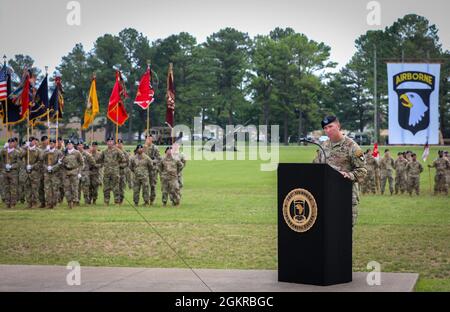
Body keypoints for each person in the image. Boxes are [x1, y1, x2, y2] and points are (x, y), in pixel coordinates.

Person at [318, 115, 367, 226]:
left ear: (338, 126)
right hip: (328, 197)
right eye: (325, 128)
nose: (328, 130)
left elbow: (363, 170)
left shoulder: (352, 146)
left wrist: (349, 175)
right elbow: (318, 168)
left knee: (344, 236)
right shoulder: (323, 146)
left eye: (330, 126)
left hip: (346, 197)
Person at [97, 137, 126, 205]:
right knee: (106, 187)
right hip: (106, 172)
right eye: (108, 141)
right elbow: (99, 159)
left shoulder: (117, 151)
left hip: (115, 172)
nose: (110, 143)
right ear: (107, 142)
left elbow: (123, 159)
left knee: (116, 187)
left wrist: (118, 166)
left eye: (111, 141)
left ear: (113, 142)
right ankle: (106, 201)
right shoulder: (104, 151)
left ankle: (117, 201)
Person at [62, 139, 84, 208]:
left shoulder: (77, 153)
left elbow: (82, 163)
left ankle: (75, 201)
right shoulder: (64, 153)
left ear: (73, 145)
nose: (69, 145)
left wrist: (79, 172)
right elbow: (62, 162)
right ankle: (69, 201)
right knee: (67, 188)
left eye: (70, 144)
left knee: (74, 188)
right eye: (68, 144)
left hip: (74, 171)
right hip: (66, 172)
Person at [22, 137, 43, 209]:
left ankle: (34, 203)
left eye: (33, 141)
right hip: (27, 172)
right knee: (27, 188)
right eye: (30, 141)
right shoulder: (26, 149)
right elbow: (20, 155)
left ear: (35, 141)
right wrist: (25, 147)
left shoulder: (38, 150)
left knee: (34, 188)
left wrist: (32, 166)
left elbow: (40, 161)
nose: (31, 142)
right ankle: (29, 202)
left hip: (35, 172)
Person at [42, 139, 64, 208]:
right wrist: (46, 167)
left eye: (52, 143)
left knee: (55, 188)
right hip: (47, 173)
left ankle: (55, 203)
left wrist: (53, 167)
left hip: (55, 173)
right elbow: (41, 159)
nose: (51, 144)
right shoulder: (46, 151)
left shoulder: (58, 152)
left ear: (55, 144)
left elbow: (60, 163)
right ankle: (48, 203)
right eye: (50, 143)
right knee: (47, 188)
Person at [1, 138, 21, 208]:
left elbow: (19, 163)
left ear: (14, 143)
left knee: (13, 188)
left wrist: (12, 166)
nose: (10, 144)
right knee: (6, 188)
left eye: (12, 143)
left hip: (13, 173)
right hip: (5, 172)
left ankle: (13, 203)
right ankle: (7, 203)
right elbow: (1, 160)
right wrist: (3, 148)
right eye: (9, 142)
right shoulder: (4, 151)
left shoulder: (17, 152)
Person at [144, 134, 161, 205]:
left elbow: (159, 158)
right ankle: (146, 200)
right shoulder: (143, 147)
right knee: (145, 185)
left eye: (150, 139)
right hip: (144, 169)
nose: (148, 140)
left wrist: (152, 161)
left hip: (153, 169)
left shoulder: (155, 148)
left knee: (153, 185)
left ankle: (152, 200)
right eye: (147, 138)